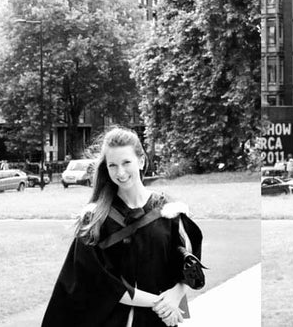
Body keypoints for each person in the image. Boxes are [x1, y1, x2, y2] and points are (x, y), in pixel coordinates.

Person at [43, 127, 204, 327]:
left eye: (126, 162)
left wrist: (176, 295)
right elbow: (101, 281)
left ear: (141, 161)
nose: (120, 172)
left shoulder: (168, 211)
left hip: (159, 321)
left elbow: (189, 263)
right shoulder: (96, 219)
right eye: (113, 165)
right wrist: (162, 303)